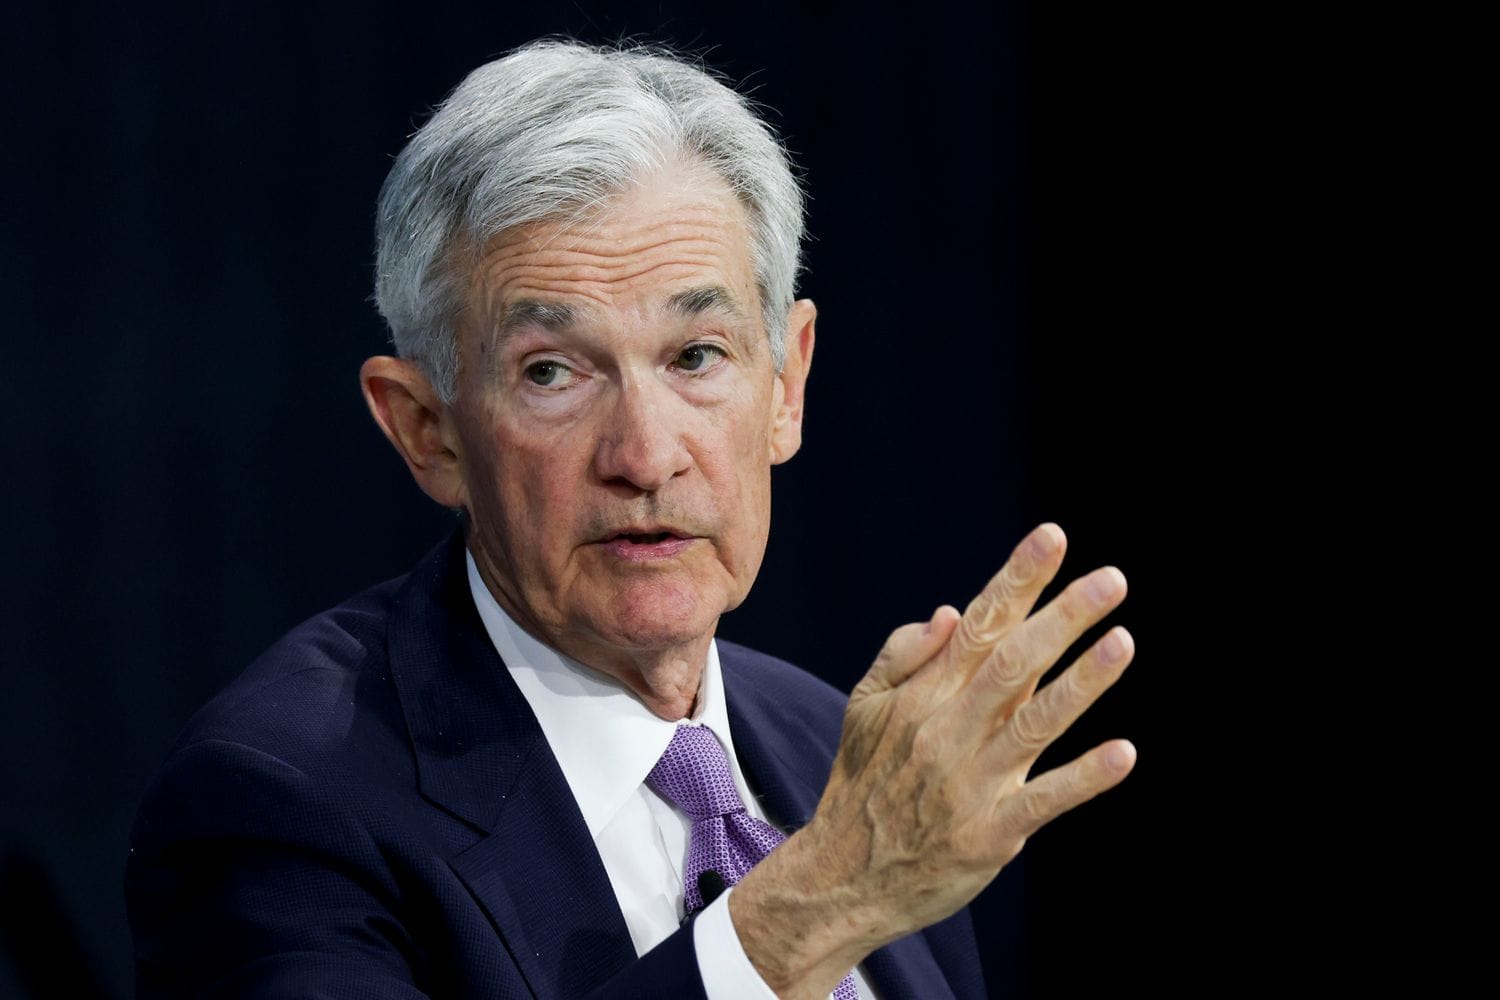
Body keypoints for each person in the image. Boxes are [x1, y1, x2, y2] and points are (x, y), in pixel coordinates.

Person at [125, 40, 1136, 999]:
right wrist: (811, 908)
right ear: (427, 429)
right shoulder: (285, 799)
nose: (646, 455)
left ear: (787, 386)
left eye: (696, 356)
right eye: (553, 372)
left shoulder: (843, 756)